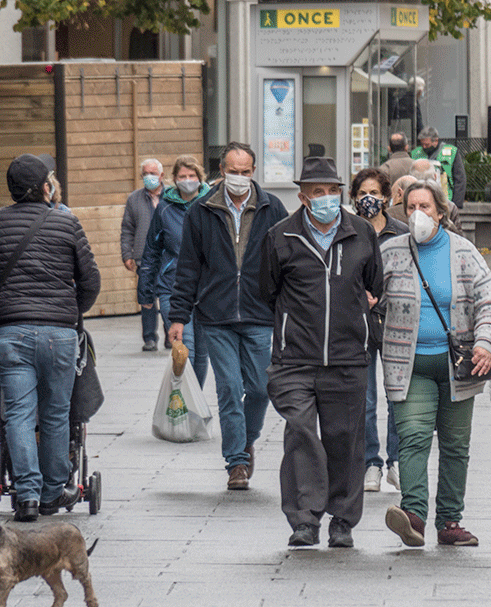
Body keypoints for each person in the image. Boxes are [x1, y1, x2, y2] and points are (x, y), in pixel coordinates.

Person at [0, 154, 101, 522]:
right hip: (59, 334)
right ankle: (52, 491)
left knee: (18, 415)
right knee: (57, 414)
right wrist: (71, 312)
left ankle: (26, 495)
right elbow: (90, 280)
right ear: (45, 187)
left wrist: (1, 305)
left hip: (11, 332)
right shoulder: (67, 222)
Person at [260, 157, 382, 548]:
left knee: (344, 439)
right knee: (300, 431)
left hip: (347, 357)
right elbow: (267, 291)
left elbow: (374, 284)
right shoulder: (281, 236)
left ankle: (342, 520)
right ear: (303, 197)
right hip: (294, 359)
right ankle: (304, 519)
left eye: (332, 191)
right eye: (318, 192)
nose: (327, 198)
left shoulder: (361, 232)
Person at [382, 179, 491, 548]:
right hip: (409, 365)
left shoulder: (463, 251)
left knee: (455, 444)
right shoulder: (390, 252)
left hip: (458, 366)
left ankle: (450, 520)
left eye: (425, 207)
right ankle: (413, 515)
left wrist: (484, 343)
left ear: (440, 212)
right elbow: (370, 294)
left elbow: (488, 301)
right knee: (413, 438)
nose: (418, 214)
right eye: (411, 207)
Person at [167, 141, 289, 491]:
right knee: (230, 388)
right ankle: (236, 461)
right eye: (233, 171)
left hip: (258, 312)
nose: (239, 177)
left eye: (245, 172)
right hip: (216, 314)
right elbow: (188, 266)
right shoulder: (202, 210)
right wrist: (178, 316)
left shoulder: (272, 208)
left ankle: (246, 440)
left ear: (254, 172)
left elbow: (286, 261)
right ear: (221, 172)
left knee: (262, 388)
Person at [349, 167, 407, 493]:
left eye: (374, 193)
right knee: (366, 397)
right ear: (354, 198)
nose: (368, 199)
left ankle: (395, 460)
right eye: (362, 194)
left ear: (386, 197)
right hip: (358, 322)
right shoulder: (348, 230)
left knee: (397, 394)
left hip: (395, 320)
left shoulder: (401, 232)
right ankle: (371, 462)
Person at [137, 156, 211, 386]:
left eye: (192, 176)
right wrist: (145, 292)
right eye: (182, 176)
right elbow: (152, 250)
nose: (187, 180)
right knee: (185, 346)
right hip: (173, 287)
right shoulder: (165, 209)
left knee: (202, 353)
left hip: (206, 289)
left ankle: (194, 397)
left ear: (200, 178)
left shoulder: (211, 205)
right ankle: (186, 397)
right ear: (174, 179)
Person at [121, 158, 167, 351]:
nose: (149, 177)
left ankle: (172, 335)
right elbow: (127, 229)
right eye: (145, 174)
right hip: (144, 256)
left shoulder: (172, 197)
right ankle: (149, 338)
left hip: (169, 256)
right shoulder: (134, 199)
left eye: (152, 173)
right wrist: (127, 254)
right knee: (147, 298)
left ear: (161, 175)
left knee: (168, 297)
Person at [411, 127, 466, 209]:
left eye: (427, 145)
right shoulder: (415, 153)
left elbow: (460, 178)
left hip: (445, 199)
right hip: (420, 199)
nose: (424, 147)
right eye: (422, 144)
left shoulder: (451, 152)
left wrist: (456, 204)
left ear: (436, 141)